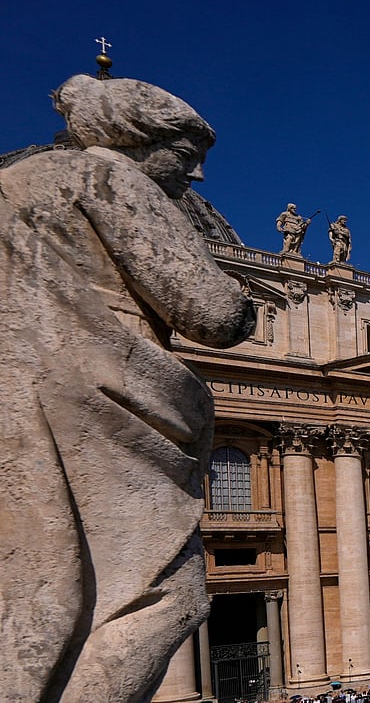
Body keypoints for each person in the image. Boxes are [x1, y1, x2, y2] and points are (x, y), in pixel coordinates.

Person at [0, 74, 256, 701]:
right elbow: (214, 313)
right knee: (164, 594)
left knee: (44, 593)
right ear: (131, 137)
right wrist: (247, 308)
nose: (194, 178)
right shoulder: (104, 178)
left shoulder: (11, 185)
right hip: (98, 396)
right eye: (182, 155)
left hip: (16, 393)